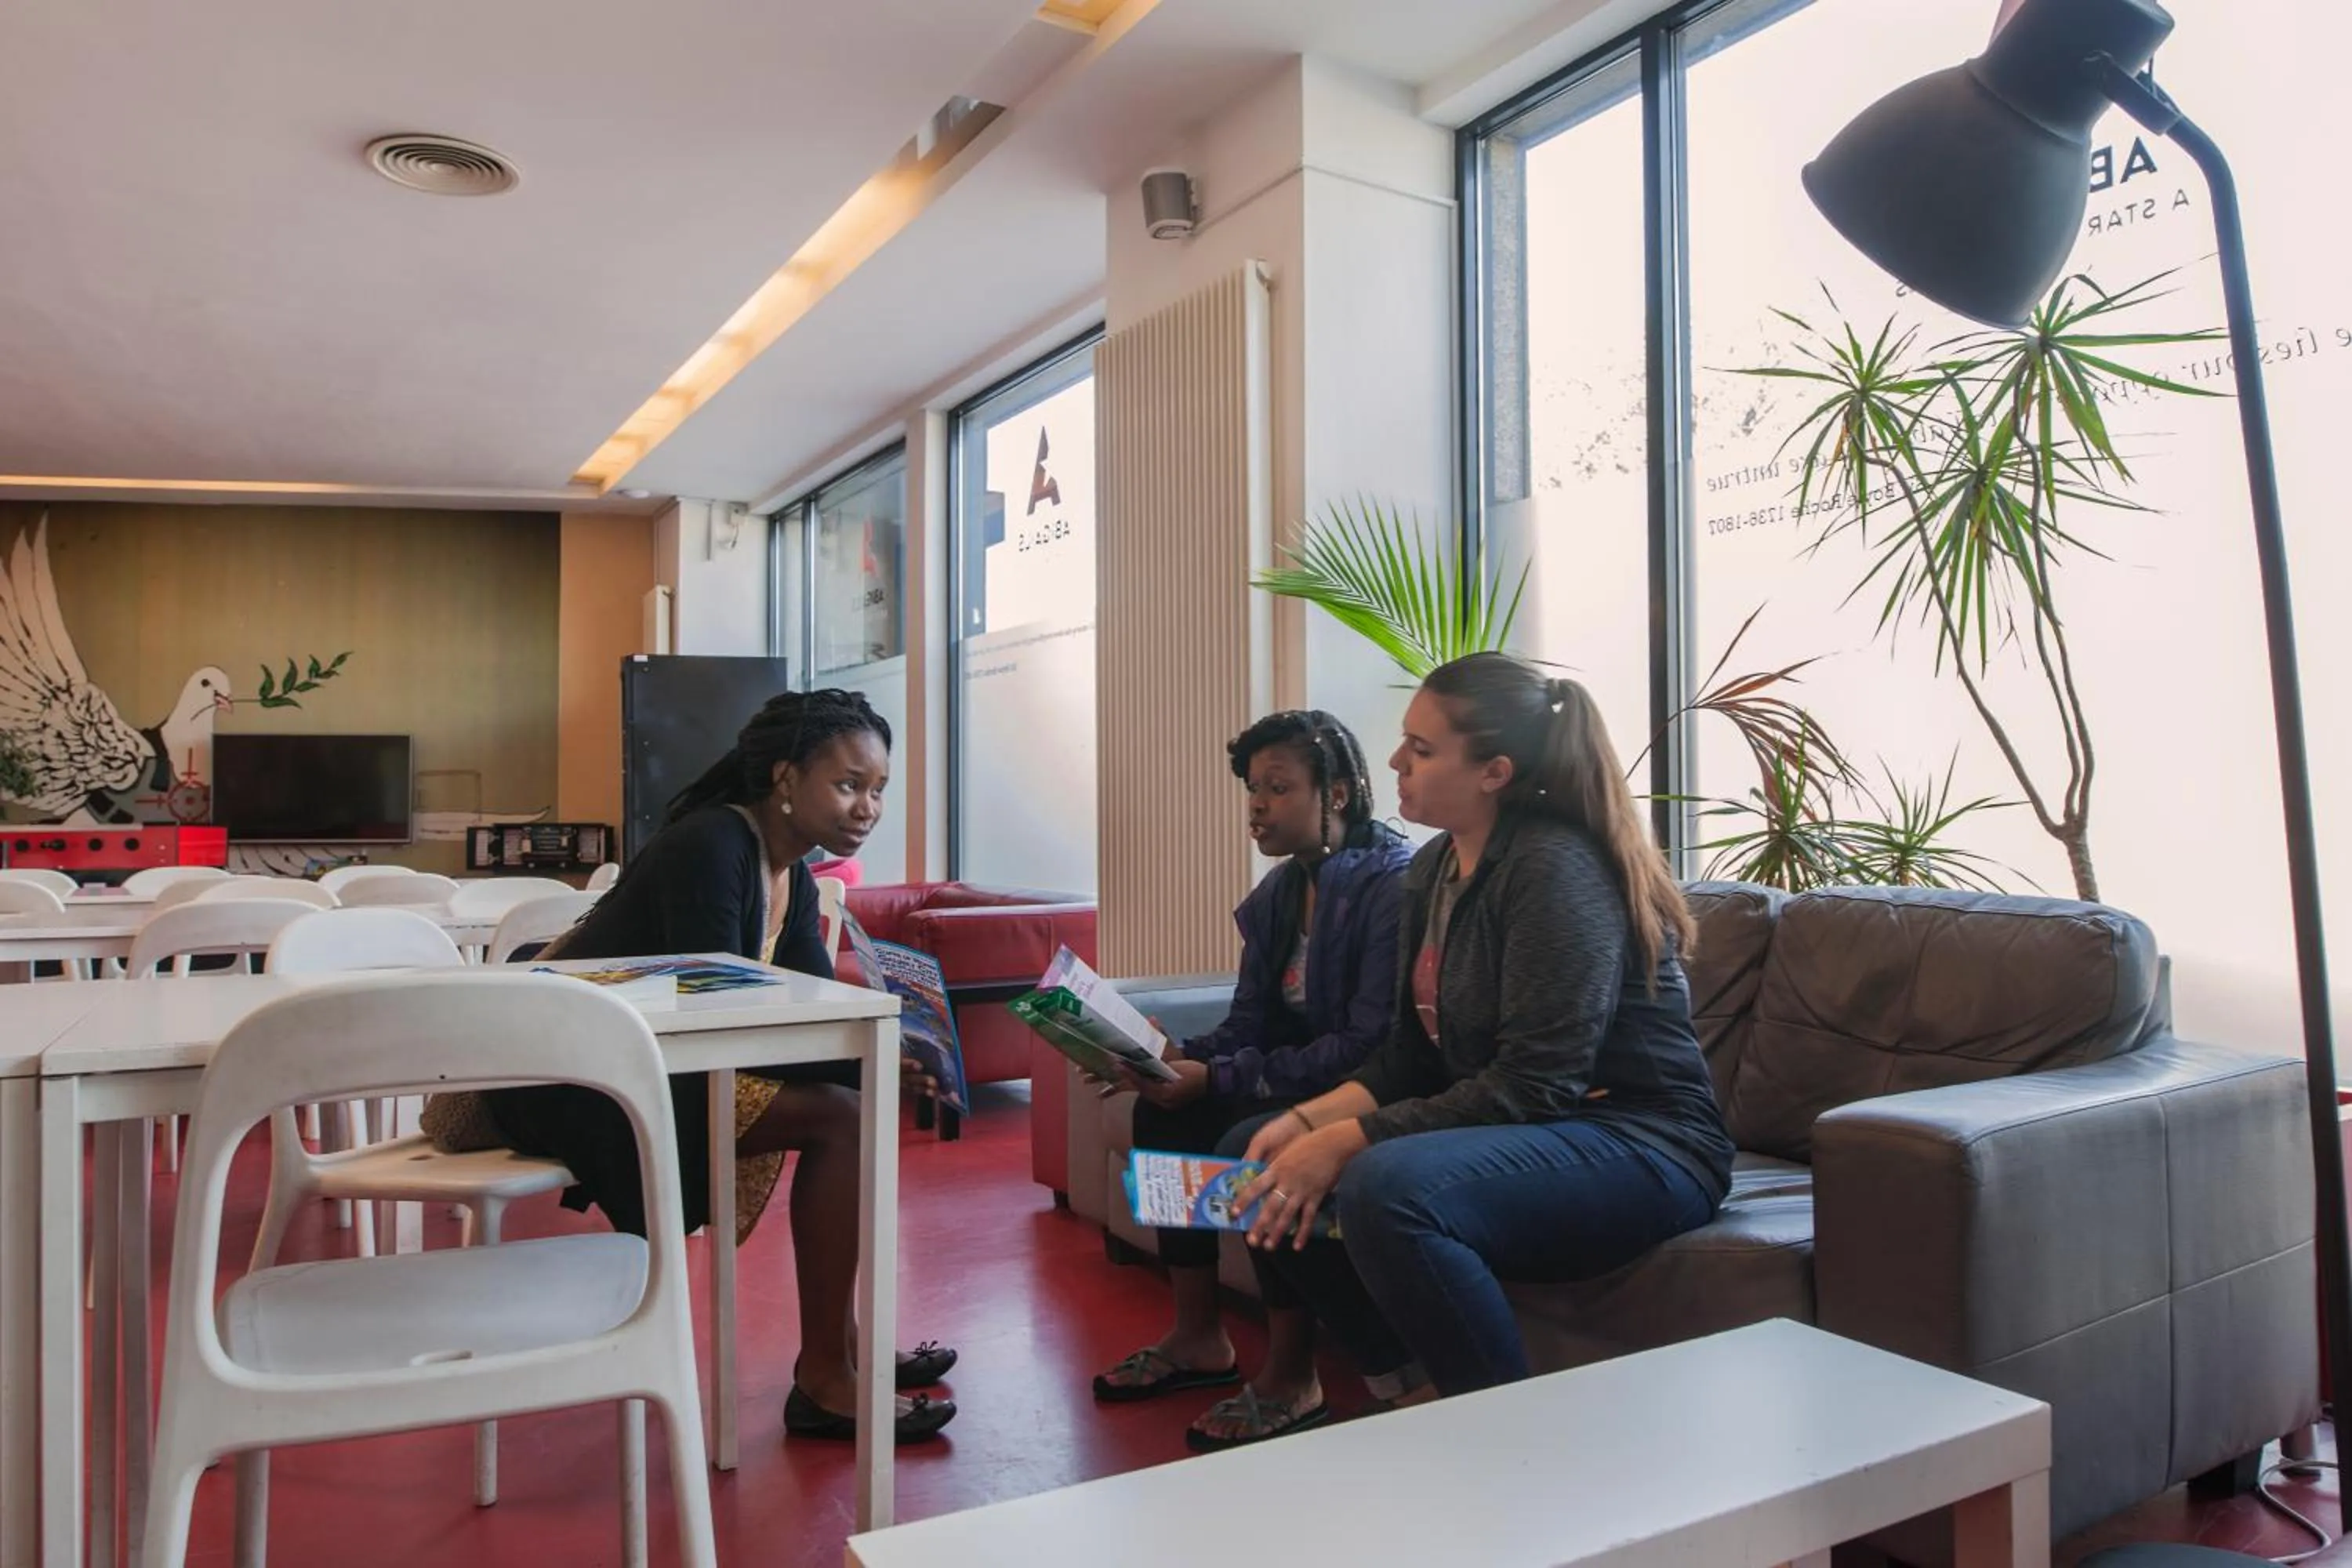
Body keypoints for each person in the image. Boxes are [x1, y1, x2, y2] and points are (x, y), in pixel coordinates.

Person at [1201, 653, 1735, 1444]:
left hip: (1643, 1137)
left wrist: (1350, 1139)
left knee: (1384, 1182)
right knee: (1251, 1148)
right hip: (1543, 1126)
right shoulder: (1432, 868)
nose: (1394, 763)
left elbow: (1534, 1084)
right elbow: (1408, 1057)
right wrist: (1312, 1119)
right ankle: (1408, 1390)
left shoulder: (1555, 868)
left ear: (1494, 770)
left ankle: (1500, 1438)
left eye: (1420, 748)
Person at [479, 689, 959, 1443]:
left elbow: (805, 1002)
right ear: (784, 777)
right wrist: (866, 1066)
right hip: (565, 1079)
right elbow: (722, 1008)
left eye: (878, 790)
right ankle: (824, 1376)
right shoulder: (711, 845)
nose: (867, 807)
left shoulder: (790, 871)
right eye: (847, 784)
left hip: (652, 1059)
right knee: (843, 1118)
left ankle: (845, 1347)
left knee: (849, 1099)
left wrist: (891, 1058)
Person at [1087, 712, 1410, 1451]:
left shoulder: (1392, 884)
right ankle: (1199, 1337)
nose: (1257, 805)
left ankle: (1293, 1375)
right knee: (1162, 1118)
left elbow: (1369, 1045)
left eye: (1277, 787)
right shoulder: (1277, 895)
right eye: (1252, 789)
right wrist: (1173, 1057)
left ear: (1337, 792)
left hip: (1362, 1087)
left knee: (1245, 1144)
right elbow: (1247, 1026)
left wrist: (1223, 1075)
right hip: (1292, 1078)